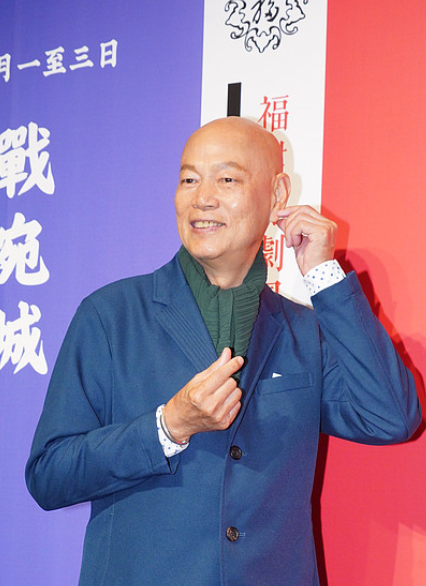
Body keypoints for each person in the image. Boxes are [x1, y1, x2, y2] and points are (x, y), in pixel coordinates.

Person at [26, 117, 421, 586]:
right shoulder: (111, 315)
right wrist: (168, 426)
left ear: (277, 195)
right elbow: (49, 475)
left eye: (227, 179)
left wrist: (322, 275)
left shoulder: (304, 331)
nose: (202, 198)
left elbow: (391, 417)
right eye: (189, 180)